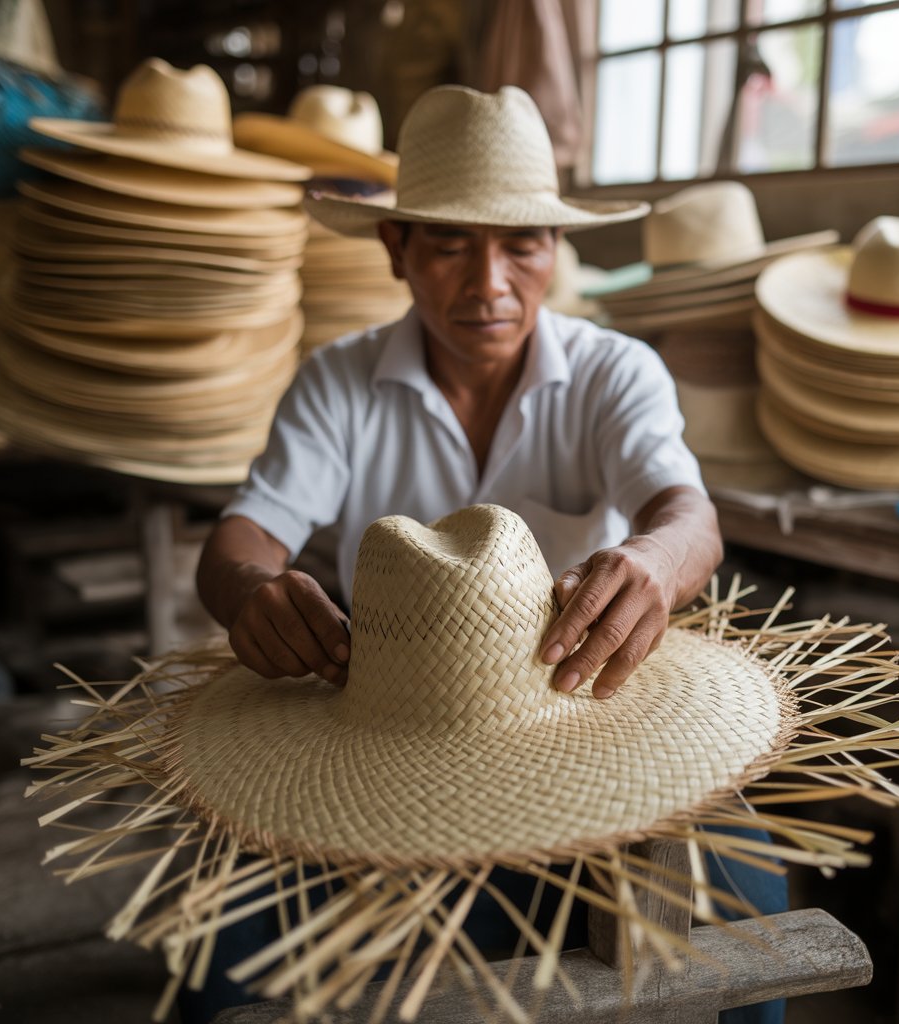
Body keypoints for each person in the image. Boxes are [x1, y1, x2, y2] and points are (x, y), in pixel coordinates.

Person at [190, 85, 784, 1024]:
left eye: (522, 244)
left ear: (557, 248)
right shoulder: (337, 383)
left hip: (580, 716)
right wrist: (251, 589)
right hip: (388, 726)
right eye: (449, 244)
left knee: (747, 905)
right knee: (230, 938)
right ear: (397, 248)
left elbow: (687, 515)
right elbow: (242, 536)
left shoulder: (613, 372)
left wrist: (655, 563)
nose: (489, 284)